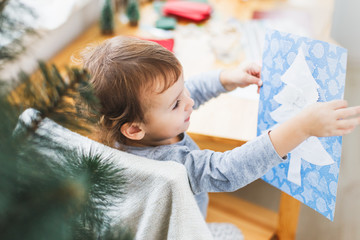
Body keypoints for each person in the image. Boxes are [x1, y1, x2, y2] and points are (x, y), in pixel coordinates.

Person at [82, 36, 360, 218]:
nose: (189, 100)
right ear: (134, 129)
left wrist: (228, 78)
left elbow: (187, 92)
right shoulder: (169, 168)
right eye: (176, 104)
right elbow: (227, 170)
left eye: (183, 89)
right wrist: (301, 127)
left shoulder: (135, 130)